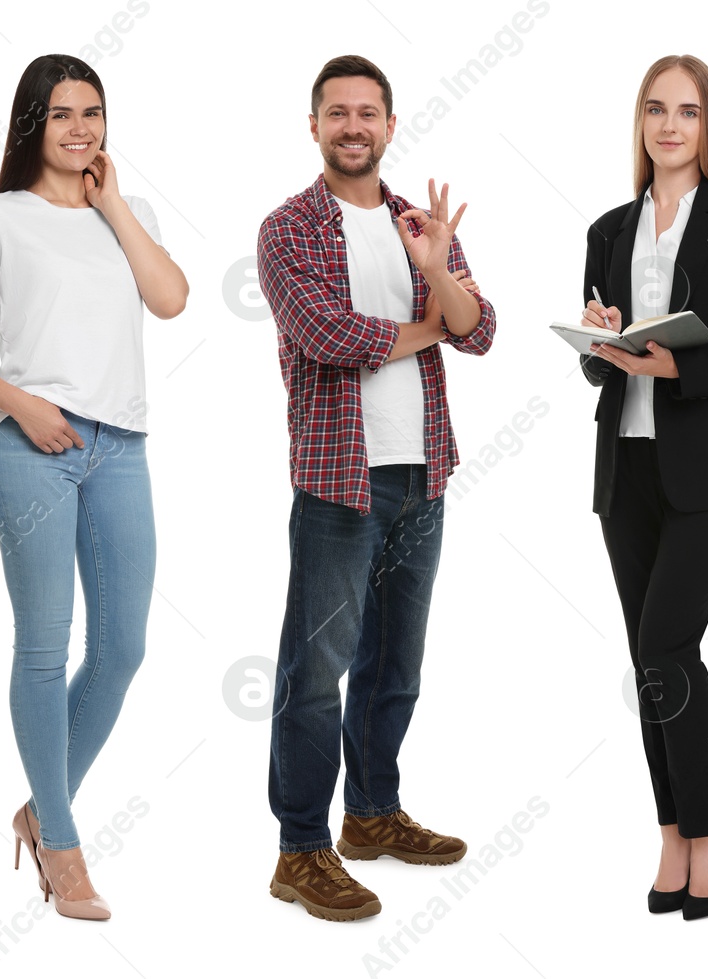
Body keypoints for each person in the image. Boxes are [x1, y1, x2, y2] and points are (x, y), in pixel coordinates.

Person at [0, 53, 187, 921]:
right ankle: (66, 848)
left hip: (121, 448)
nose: (79, 129)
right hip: (30, 449)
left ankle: (42, 811)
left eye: (92, 113)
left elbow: (173, 299)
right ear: (31, 124)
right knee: (45, 646)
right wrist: (24, 407)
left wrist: (113, 202)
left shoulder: (131, 212)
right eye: (61, 114)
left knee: (122, 649)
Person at [256, 54, 495, 922]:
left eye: (369, 113)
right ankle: (300, 849)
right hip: (336, 481)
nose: (353, 126)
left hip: (422, 472)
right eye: (337, 113)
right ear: (314, 126)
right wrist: (426, 324)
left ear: (390, 125)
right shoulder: (288, 229)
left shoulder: (418, 223)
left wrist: (435, 270)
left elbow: (479, 331)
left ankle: (371, 815)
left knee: (395, 665)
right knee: (315, 673)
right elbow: (325, 335)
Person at [578, 54, 708, 921]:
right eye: (657, 109)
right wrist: (603, 344)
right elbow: (606, 374)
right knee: (647, 663)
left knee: (670, 645)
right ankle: (673, 830)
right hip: (625, 465)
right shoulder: (607, 228)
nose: (670, 125)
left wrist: (679, 366)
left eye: (689, 112)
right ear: (640, 121)